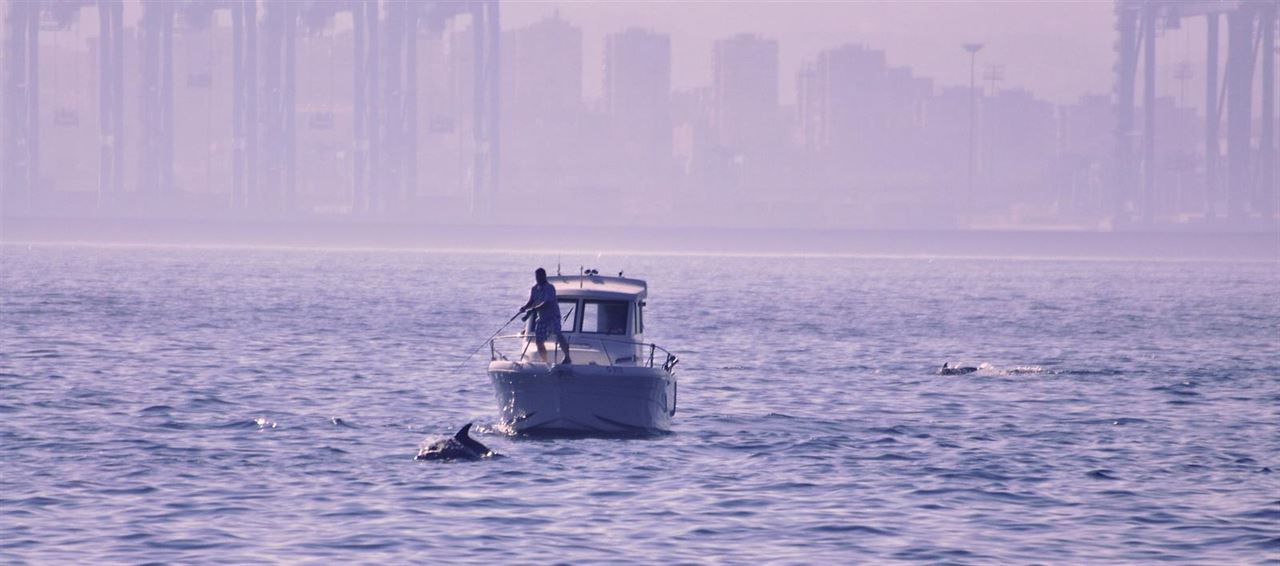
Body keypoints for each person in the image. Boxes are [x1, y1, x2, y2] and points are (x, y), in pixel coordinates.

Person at [519, 268, 572, 365]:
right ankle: (545, 361)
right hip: (542, 318)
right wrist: (524, 308)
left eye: (539, 277)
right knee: (539, 341)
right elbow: (531, 302)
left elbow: (546, 303)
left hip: (553, 316)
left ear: (544, 276)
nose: (538, 279)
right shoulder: (534, 289)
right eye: (536, 277)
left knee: (557, 333)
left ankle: (567, 357)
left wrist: (534, 309)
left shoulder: (550, 288)